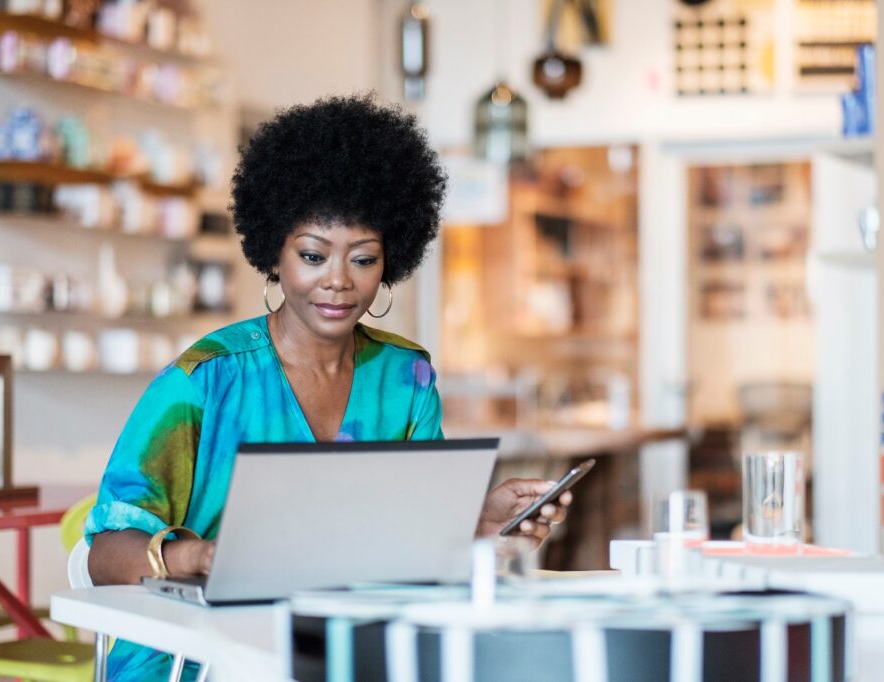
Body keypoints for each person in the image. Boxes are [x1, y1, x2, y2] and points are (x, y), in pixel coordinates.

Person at [85, 94, 572, 680]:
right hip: (196, 658)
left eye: (363, 260)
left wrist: (477, 524)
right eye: (313, 255)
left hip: (339, 652)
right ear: (275, 255)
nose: (338, 282)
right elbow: (105, 553)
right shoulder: (205, 379)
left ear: (390, 261)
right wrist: (203, 557)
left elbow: (400, 540)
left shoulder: (406, 377)